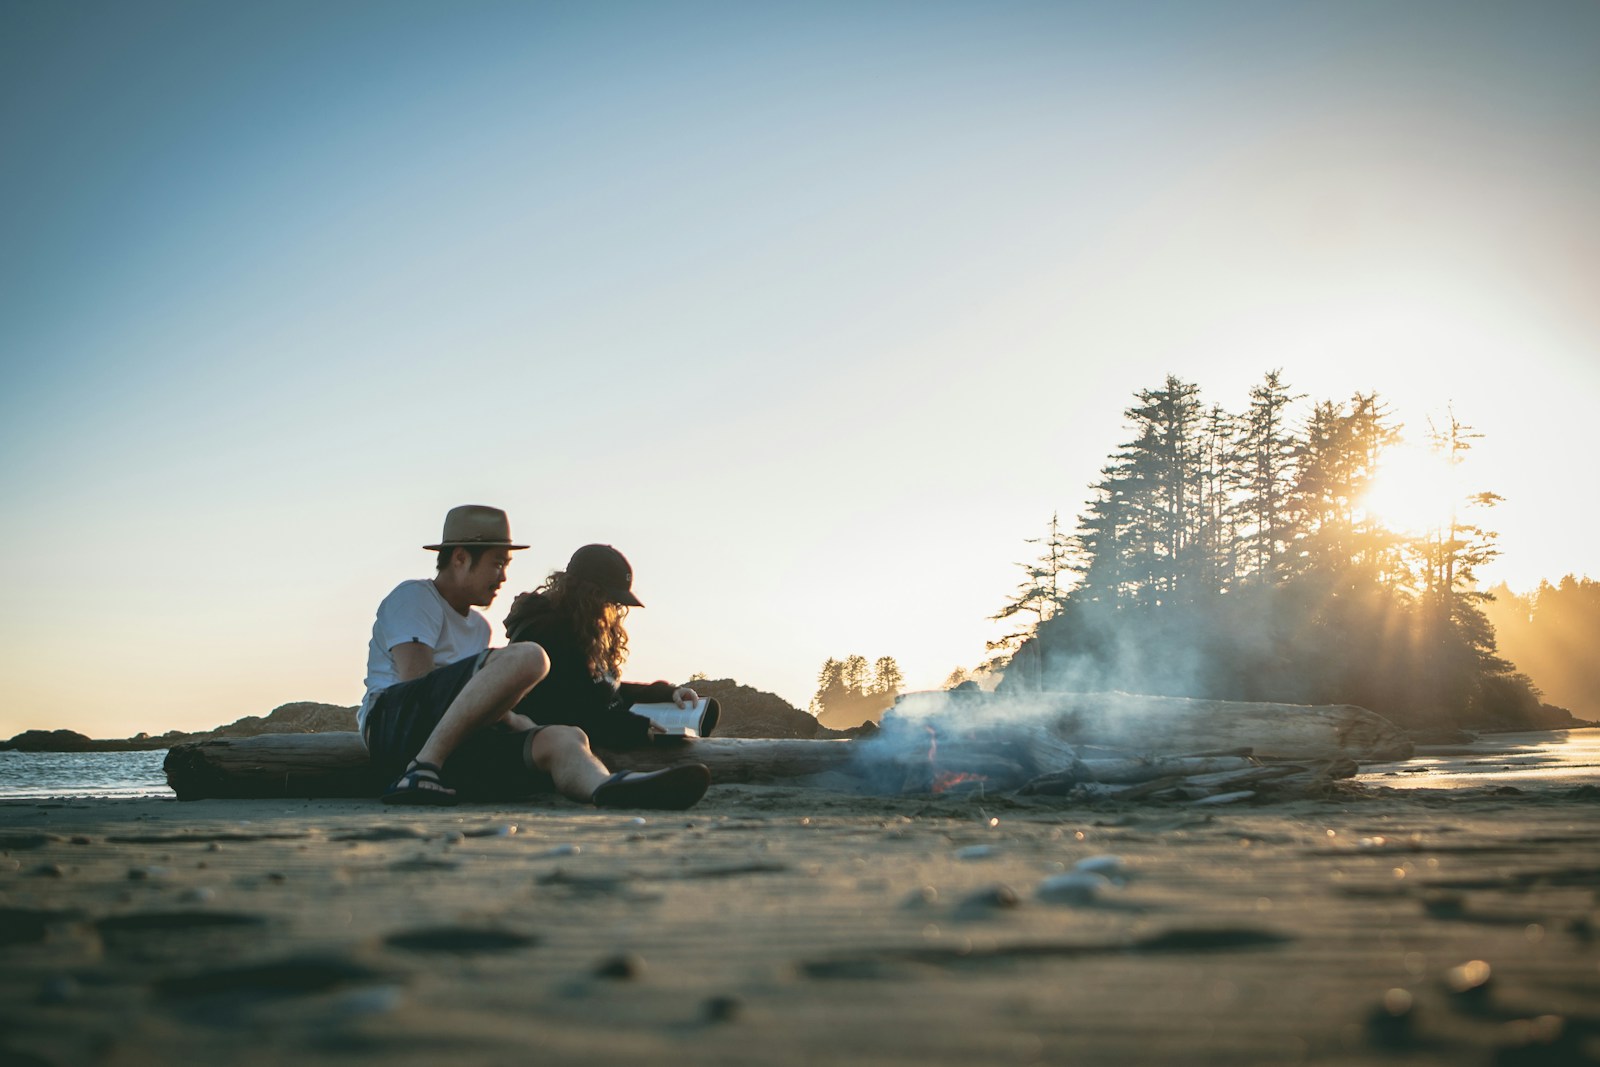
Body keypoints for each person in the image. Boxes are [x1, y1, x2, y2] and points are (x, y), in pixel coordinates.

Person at [358, 506, 710, 809]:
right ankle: (421, 770)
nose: (503, 576)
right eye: (497, 564)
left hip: (460, 745)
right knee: (530, 658)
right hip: (396, 735)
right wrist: (510, 719)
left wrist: (517, 723)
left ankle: (608, 787)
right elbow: (417, 687)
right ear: (461, 557)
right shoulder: (415, 599)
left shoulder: (479, 627)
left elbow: (469, 699)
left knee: (565, 736)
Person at [501, 544, 719, 747]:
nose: (614, 610)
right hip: (566, 735)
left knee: (702, 711)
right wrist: (634, 727)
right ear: (587, 595)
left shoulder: (582, 626)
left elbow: (601, 688)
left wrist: (665, 693)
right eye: (610, 601)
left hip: (604, 717)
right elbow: (567, 712)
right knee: (673, 738)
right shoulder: (548, 632)